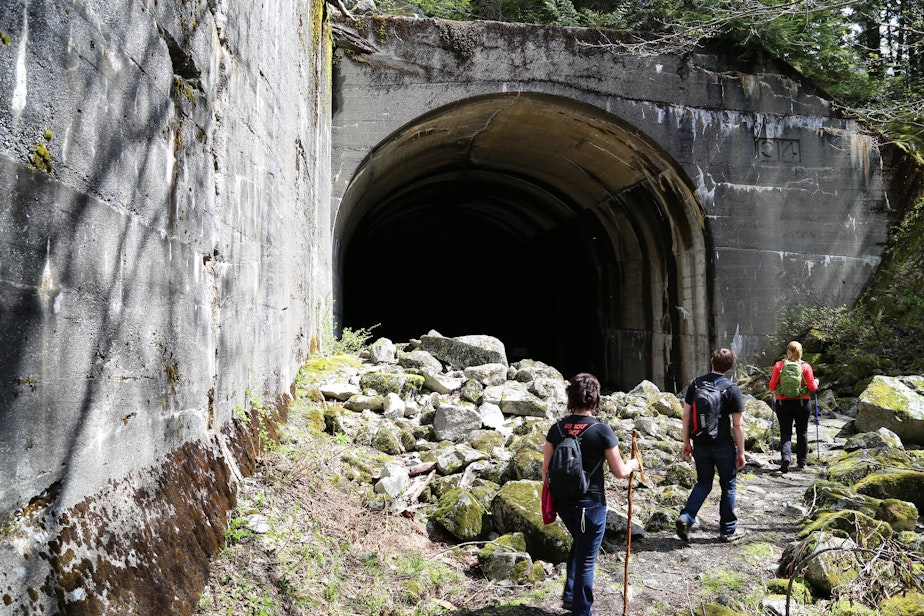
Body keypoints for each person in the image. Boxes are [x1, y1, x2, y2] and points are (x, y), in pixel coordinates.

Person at [542, 373, 639, 616]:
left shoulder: (556, 429)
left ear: (570, 398)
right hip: (592, 506)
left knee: (580, 544)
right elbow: (619, 472)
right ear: (595, 400)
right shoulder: (602, 431)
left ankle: (569, 596)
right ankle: (581, 611)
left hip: (564, 505)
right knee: (587, 558)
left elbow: (545, 472)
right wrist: (633, 465)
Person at [676, 348, 746, 543]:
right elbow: (738, 425)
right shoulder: (731, 389)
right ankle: (727, 530)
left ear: (711, 361)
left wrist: (686, 442)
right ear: (730, 366)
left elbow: (686, 416)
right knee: (728, 486)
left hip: (700, 443)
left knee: (704, 483)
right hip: (723, 445)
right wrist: (741, 452)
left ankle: (687, 517)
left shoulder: (696, 384)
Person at [768, 340, 819, 472]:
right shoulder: (806, 367)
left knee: (785, 432)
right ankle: (802, 463)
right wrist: (816, 383)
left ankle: (786, 458)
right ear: (801, 353)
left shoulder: (779, 366)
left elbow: (772, 387)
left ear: (788, 352)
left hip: (783, 403)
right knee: (802, 432)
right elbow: (812, 388)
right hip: (802, 403)